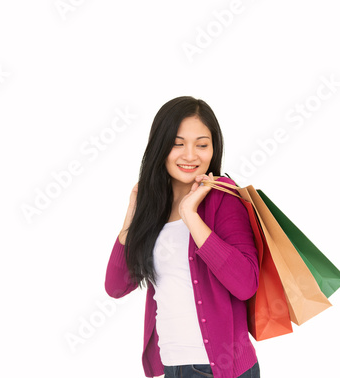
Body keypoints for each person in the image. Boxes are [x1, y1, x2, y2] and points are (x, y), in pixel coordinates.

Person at [104, 96, 261, 378]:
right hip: (172, 366)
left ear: (213, 149)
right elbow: (116, 287)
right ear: (160, 147)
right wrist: (132, 215)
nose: (190, 155)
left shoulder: (225, 199)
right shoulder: (155, 208)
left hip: (218, 369)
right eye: (178, 143)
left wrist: (191, 214)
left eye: (202, 145)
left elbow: (246, 284)